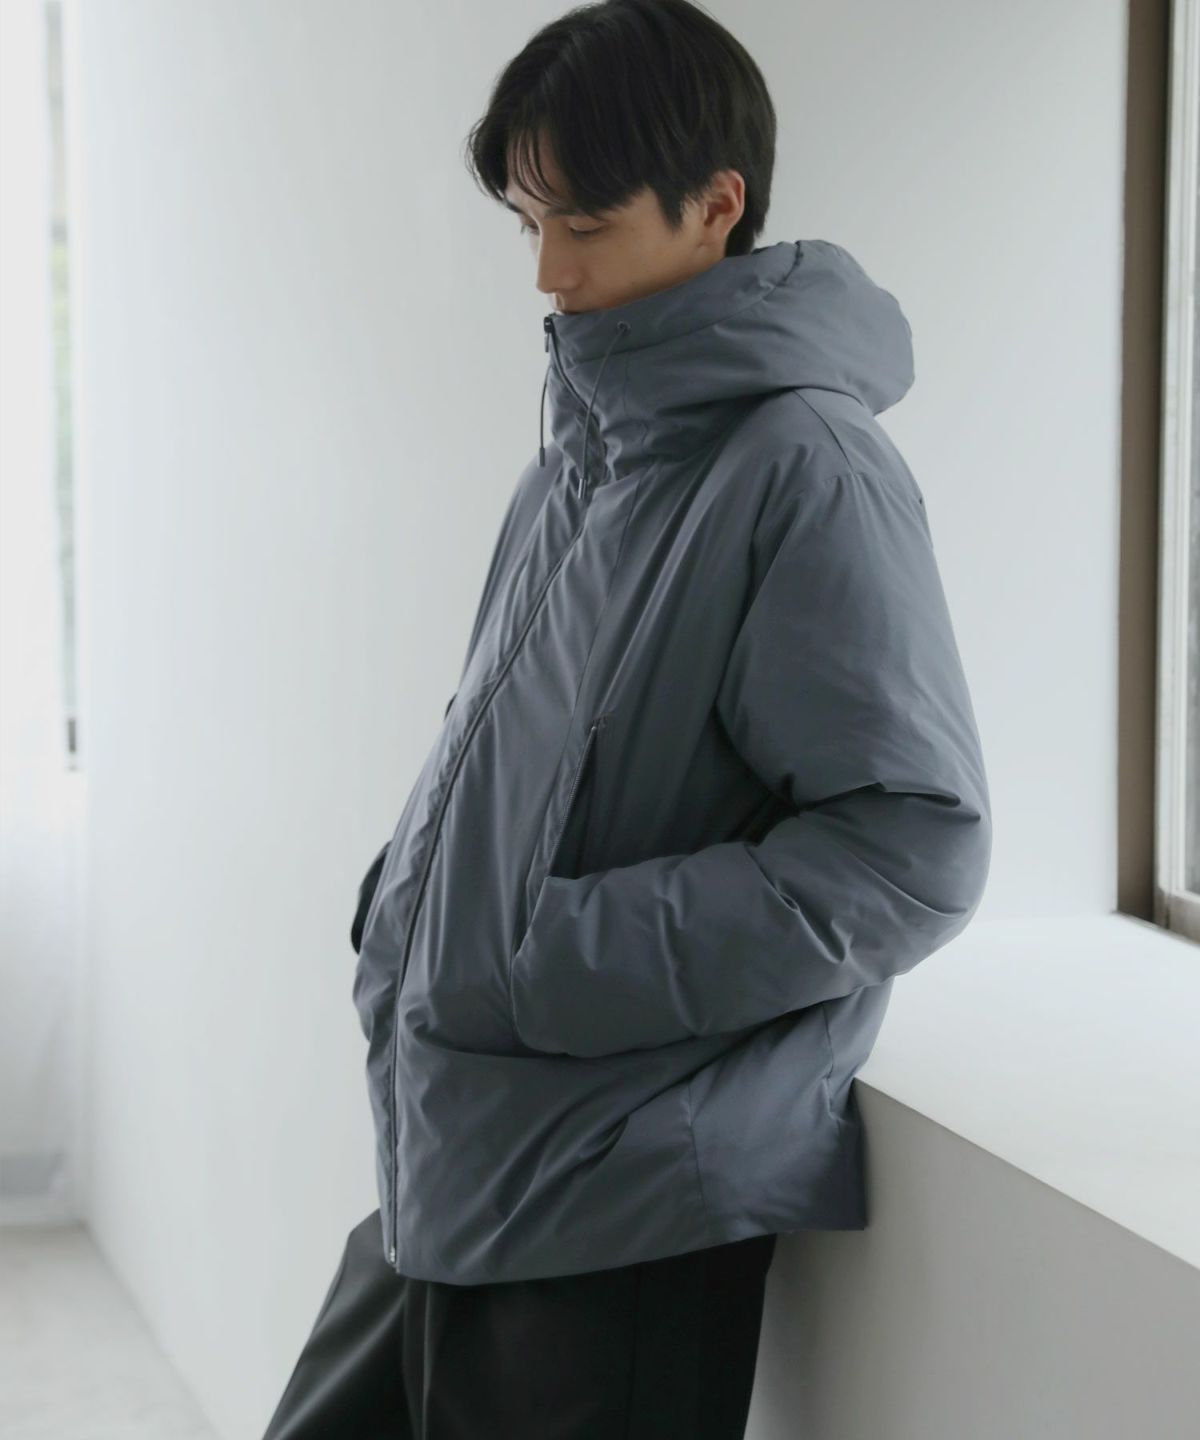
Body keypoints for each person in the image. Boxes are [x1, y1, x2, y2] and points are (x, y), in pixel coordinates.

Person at [262, 1, 992, 1435]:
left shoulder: (804, 469)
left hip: (618, 1207)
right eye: (530, 221)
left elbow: (912, 849)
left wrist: (542, 962)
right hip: (456, 1155)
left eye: (583, 224)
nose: (547, 270)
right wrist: (407, 913)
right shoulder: (585, 458)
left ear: (717, 204)